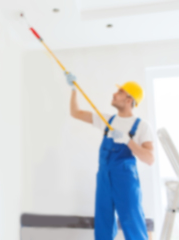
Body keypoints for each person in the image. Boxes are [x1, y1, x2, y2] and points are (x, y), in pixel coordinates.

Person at [66, 72, 154, 240]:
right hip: (104, 178)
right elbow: (75, 112)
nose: (114, 94)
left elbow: (149, 159)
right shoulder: (106, 120)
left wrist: (128, 141)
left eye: (120, 92)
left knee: (133, 223)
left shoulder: (142, 126)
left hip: (126, 180)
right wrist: (73, 89)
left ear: (129, 100)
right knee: (103, 224)